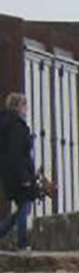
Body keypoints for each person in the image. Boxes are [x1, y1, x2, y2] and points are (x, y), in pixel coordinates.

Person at [1, 93, 42, 252]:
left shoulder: (7, 125)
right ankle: (22, 244)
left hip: (10, 174)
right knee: (24, 207)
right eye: (25, 106)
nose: (27, 110)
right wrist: (25, 177)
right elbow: (17, 153)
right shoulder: (17, 126)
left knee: (19, 210)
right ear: (18, 107)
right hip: (19, 175)